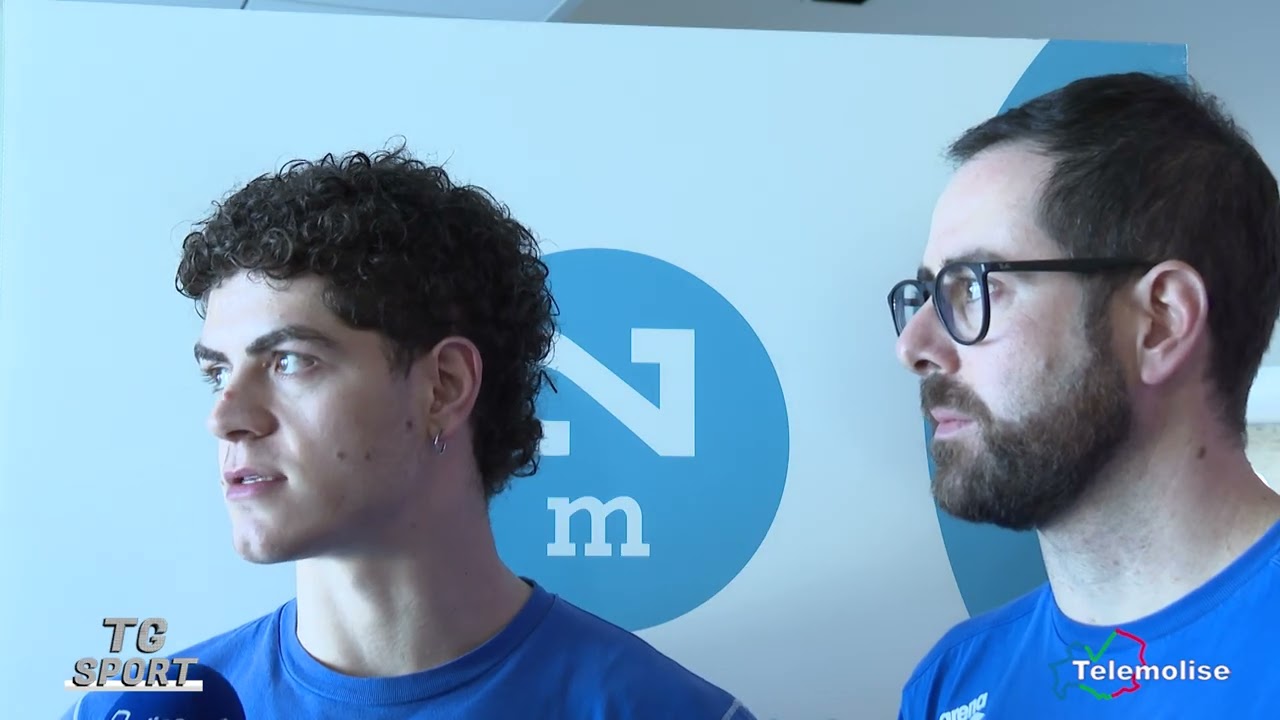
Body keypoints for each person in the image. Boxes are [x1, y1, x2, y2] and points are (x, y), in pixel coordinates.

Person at [64, 146, 755, 719]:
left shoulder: (662, 710)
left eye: (290, 361)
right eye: (218, 372)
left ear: (443, 387)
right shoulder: (128, 711)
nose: (225, 416)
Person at [888, 72, 1280, 717]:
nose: (914, 346)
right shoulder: (952, 684)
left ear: (1160, 323)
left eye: (974, 287)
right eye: (927, 294)